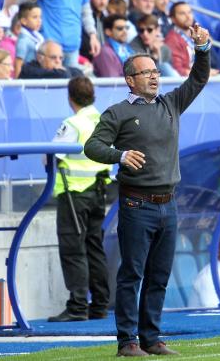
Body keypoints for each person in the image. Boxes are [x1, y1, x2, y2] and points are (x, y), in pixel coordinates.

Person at [83, 23, 212, 357]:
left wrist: (202, 49)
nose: (155, 77)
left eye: (156, 71)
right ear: (130, 80)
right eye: (146, 73)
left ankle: (151, 339)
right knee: (132, 274)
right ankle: (127, 341)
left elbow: (198, 78)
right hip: (137, 204)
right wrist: (120, 155)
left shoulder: (170, 104)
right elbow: (92, 147)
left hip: (168, 204)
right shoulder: (118, 113)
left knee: (159, 275)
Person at [47, 76, 112, 322]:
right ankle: (100, 305)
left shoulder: (73, 124)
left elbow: (50, 156)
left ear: (70, 98)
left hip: (75, 193)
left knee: (74, 249)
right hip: (99, 192)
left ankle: (77, 307)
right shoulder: (103, 121)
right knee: (94, 248)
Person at [28, 0, 100, 69]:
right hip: (50, 49)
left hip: (73, 47)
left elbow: (85, 10)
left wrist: (92, 34)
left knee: (73, 85)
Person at [19, 39, 83, 79]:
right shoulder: (28, 70)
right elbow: (61, 75)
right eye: (53, 57)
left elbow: (78, 73)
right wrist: (64, 72)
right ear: (40, 58)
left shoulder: (60, 70)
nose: (58, 61)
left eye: (61, 58)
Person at [14, 2, 44, 78]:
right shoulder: (23, 40)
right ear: (24, 21)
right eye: (35, 17)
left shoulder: (38, 37)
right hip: (28, 77)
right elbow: (18, 64)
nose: (39, 20)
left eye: (40, 17)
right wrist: (18, 85)